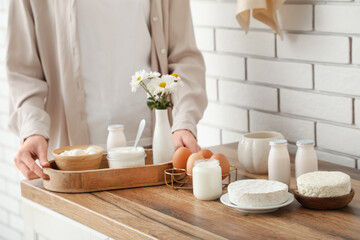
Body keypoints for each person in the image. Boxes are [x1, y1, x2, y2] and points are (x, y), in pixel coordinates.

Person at [6, 0, 207, 180]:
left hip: (157, 152)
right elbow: (23, 71)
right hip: (75, 160)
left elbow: (184, 58)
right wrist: (32, 130)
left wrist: (184, 122)